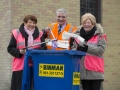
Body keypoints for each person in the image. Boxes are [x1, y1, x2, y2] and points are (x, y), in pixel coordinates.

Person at [7, 15, 47, 90]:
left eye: (34, 23)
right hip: (20, 66)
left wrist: (34, 51)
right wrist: (19, 51)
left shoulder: (40, 34)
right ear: (25, 23)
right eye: (30, 22)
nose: (32, 24)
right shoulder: (16, 33)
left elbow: (44, 48)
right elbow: (10, 48)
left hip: (35, 66)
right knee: (19, 87)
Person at [70, 13, 107, 90]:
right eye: (84, 22)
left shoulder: (100, 35)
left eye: (88, 23)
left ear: (93, 23)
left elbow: (101, 50)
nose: (86, 24)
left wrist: (87, 48)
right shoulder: (77, 35)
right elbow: (73, 49)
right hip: (82, 70)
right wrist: (75, 48)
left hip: (95, 71)